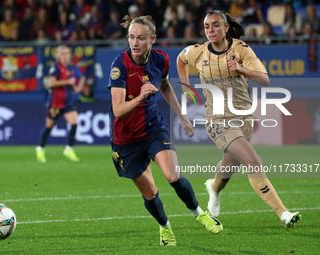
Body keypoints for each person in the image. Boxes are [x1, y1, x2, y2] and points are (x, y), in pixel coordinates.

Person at [177, 10, 302, 229]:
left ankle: (214, 188)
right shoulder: (197, 52)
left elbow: (265, 80)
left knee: (229, 165)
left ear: (226, 28)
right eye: (207, 27)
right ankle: (283, 213)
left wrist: (242, 69)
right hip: (217, 119)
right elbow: (180, 59)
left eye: (216, 25)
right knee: (253, 162)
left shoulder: (241, 50)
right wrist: (187, 89)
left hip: (244, 118)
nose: (210, 30)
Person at [108, 15, 223, 246]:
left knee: (173, 175)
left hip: (153, 129)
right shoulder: (119, 66)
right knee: (150, 193)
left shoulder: (161, 60)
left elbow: (165, 86)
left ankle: (199, 213)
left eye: (141, 38)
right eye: (131, 37)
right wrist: (141, 95)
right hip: (125, 140)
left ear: (153, 39)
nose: (135, 43)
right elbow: (118, 110)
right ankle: (165, 228)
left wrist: (182, 117)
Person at [36, 45, 85, 163]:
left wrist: (77, 87)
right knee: (49, 127)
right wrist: (68, 81)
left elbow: (81, 77)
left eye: (67, 53)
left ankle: (69, 149)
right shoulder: (55, 68)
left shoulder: (71, 68)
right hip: (55, 102)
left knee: (74, 122)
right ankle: (40, 148)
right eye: (63, 53)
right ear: (58, 56)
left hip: (67, 101)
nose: (65, 56)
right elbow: (51, 83)